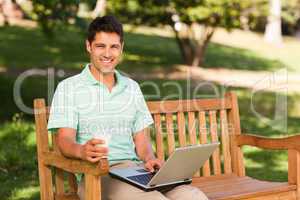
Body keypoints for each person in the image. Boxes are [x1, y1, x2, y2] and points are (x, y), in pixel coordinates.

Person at [47, 15, 208, 200]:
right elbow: (64, 140)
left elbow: (142, 141)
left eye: (114, 46)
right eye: (101, 46)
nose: (108, 54)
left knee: (194, 196)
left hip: (136, 172)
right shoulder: (69, 88)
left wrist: (149, 159)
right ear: (88, 46)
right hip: (99, 176)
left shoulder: (131, 87)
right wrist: (81, 151)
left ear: (121, 48)